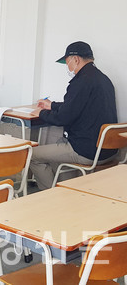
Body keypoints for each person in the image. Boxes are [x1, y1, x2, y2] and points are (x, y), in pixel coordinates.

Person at [30, 41, 117, 189]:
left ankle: (49, 197)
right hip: (109, 150)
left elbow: (63, 118)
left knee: (32, 155)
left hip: (87, 150)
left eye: (67, 62)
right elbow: (77, 106)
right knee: (58, 151)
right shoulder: (103, 79)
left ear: (76, 59)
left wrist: (42, 113)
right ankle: (66, 194)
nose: (67, 67)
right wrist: (52, 105)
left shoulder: (80, 82)